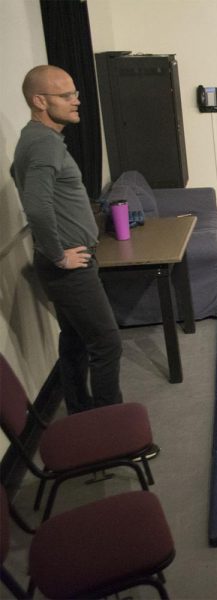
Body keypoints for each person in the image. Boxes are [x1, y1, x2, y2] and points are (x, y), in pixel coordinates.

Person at [12, 65, 122, 413]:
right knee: (106, 344)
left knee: (74, 341)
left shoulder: (34, 138)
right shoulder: (43, 143)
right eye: (66, 95)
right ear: (39, 101)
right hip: (69, 267)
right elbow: (37, 207)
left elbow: (21, 179)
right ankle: (111, 430)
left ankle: (81, 413)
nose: (76, 101)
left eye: (75, 93)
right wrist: (60, 254)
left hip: (68, 260)